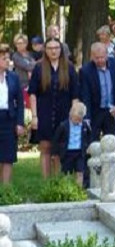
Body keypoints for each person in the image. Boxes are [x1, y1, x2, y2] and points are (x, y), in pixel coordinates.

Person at [28, 37, 79, 179]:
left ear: (61, 49)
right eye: (50, 48)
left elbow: (75, 94)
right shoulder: (39, 68)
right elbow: (32, 93)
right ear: (46, 50)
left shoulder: (68, 67)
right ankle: (46, 183)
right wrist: (34, 116)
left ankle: (57, 182)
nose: (53, 51)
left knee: (59, 150)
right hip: (44, 114)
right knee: (45, 148)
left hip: (64, 114)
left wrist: (73, 114)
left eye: (56, 48)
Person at [78, 42, 115, 145]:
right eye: (97, 58)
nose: (100, 60)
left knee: (113, 146)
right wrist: (86, 117)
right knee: (91, 147)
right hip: (94, 113)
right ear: (91, 56)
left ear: (107, 54)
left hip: (112, 112)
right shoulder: (85, 71)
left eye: (102, 57)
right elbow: (85, 95)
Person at [0, 45, 26, 185]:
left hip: (9, 118)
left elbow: (20, 102)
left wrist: (19, 123)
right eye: (4, 58)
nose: (7, 61)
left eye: (8, 58)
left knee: (8, 156)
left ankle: (6, 190)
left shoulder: (13, 77)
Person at [53, 101, 91, 186]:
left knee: (80, 172)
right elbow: (56, 139)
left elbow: (89, 136)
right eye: (75, 119)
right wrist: (55, 153)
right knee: (66, 173)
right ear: (70, 115)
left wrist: (87, 146)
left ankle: (79, 190)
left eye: (79, 119)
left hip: (79, 152)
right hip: (68, 152)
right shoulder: (63, 125)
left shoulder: (84, 126)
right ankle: (66, 189)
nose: (77, 121)